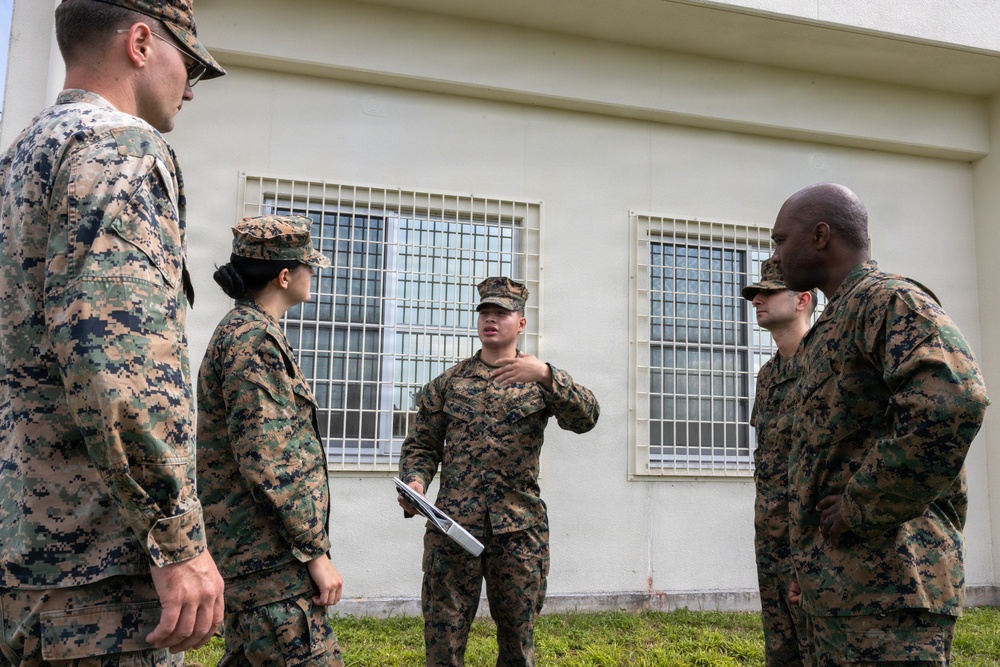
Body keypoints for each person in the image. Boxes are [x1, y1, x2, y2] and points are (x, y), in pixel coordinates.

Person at [0, 0, 226, 664]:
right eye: (187, 64)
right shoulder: (119, 145)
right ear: (139, 42)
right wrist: (176, 539)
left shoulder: (20, 158)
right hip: (100, 577)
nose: (189, 88)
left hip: (25, 560)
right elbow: (118, 355)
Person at [769, 183, 989, 667]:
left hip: (892, 589)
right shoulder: (834, 322)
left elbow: (952, 402)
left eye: (782, 239)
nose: (776, 254)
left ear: (821, 236)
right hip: (840, 590)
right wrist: (807, 565)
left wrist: (860, 504)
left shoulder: (889, 302)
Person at [397, 277, 600, 667]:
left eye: (501, 313)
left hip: (518, 529)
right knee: (443, 639)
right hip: (453, 529)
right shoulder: (449, 383)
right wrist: (415, 480)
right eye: (484, 313)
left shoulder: (539, 379)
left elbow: (587, 417)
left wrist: (545, 375)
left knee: (517, 642)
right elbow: (422, 445)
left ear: (520, 323)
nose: (491, 320)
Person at [196, 215, 345, 666]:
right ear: (285, 276)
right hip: (270, 564)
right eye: (308, 266)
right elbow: (268, 461)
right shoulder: (254, 340)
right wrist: (314, 553)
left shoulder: (246, 331)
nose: (311, 275)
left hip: (255, 557)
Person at [743, 259, 815, 667]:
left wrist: (812, 558)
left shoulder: (825, 369)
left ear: (802, 300)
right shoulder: (768, 375)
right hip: (772, 540)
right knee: (781, 653)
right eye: (756, 293)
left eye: (769, 292)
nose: (757, 299)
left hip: (812, 543)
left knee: (818, 651)